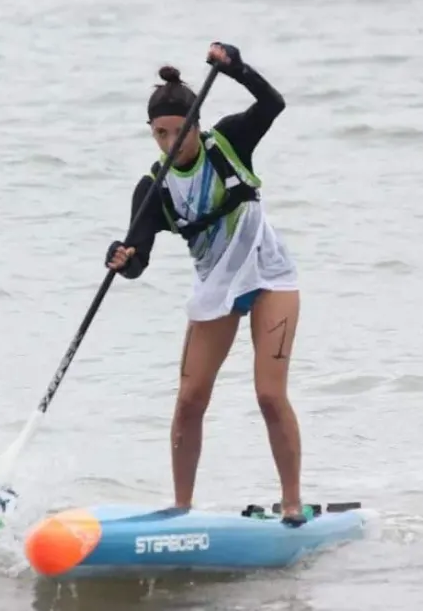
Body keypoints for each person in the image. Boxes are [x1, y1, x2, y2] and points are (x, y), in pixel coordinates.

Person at [105, 42, 308, 525]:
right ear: (151, 133)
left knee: (268, 394)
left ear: (196, 123)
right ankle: (180, 508)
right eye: (160, 133)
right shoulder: (152, 189)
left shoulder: (230, 141)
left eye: (180, 130)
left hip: (270, 276)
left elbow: (273, 105)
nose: (171, 141)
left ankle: (293, 503)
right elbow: (138, 260)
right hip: (216, 288)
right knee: (190, 399)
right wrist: (121, 257)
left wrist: (236, 69)